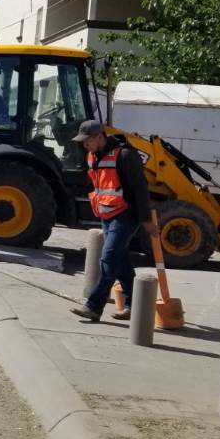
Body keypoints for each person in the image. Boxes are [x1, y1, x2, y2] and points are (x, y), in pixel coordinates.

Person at [69, 120, 158, 322]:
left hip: (126, 215)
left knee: (108, 258)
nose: (84, 145)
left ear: (100, 137)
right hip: (107, 215)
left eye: (87, 141)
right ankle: (133, 305)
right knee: (120, 260)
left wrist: (146, 221)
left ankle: (93, 306)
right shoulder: (92, 156)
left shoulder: (125, 155)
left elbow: (140, 191)